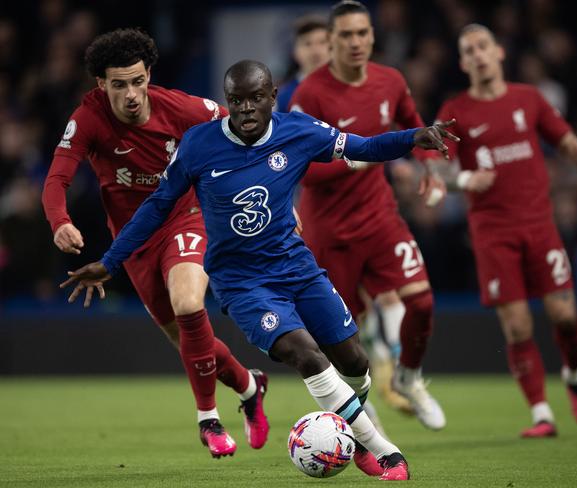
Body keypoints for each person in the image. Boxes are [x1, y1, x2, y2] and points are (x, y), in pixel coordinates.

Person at [59, 60, 457, 481]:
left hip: (297, 269)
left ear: (272, 97)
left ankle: (353, 434)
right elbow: (156, 207)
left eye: (254, 99)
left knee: (355, 359)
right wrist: (110, 261)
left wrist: (415, 136)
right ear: (227, 102)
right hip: (242, 283)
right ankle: (383, 449)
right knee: (306, 354)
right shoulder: (198, 144)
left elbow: (365, 147)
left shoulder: (299, 132)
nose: (245, 109)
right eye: (236, 101)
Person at [41, 28, 269, 458]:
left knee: (188, 303)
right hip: (133, 240)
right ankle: (250, 385)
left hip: (187, 217)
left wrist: (271, 191)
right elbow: (57, 177)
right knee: (188, 340)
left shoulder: (181, 108)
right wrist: (59, 221)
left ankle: (208, 420)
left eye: (138, 81)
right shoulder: (88, 118)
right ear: (101, 84)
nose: (131, 93)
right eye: (119, 84)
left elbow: (244, 129)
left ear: (150, 76)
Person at [431, 24, 577, 437]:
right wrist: (464, 181)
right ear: (463, 62)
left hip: (539, 226)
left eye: (484, 46)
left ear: (499, 52)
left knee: (565, 316)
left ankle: (574, 375)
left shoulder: (529, 98)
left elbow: (568, 143)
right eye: (470, 50)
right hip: (492, 232)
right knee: (517, 327)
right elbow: (432, 169)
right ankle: (541, 413)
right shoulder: (456, 111)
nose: (479, 54)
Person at [289, 0, 446, 429]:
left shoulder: (390, 81)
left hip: (380, 218)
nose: (356, 42)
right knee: (343, 335)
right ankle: (360, 404)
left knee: (423, 302)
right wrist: (361, 159)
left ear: (372, 36)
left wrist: (431, 169)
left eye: (363, 33)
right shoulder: (310, 94)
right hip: (329, 229)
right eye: (346, 35)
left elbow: (416, 129)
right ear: (333, 41)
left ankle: (409, 378)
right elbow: (301, 166)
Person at [275, 15, 330, 113]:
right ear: (294, 52)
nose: (316, 51)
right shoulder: (280, 99)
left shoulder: (347, 89)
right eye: (307, 44)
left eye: (322, 42)